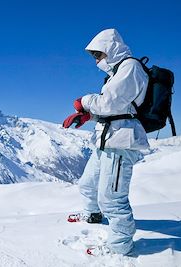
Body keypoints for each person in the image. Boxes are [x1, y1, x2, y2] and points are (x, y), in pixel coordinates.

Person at [62, 28, 149, 256]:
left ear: (111, 49)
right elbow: (117, 107)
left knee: (112, 197)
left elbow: (110, 103)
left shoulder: (130, 67)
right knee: (87, 184)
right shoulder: (116, 73)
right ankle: (93, 214)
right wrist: (89, 115)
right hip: (107, 139)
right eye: (94, 56)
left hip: (121, 143)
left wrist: (84, 101)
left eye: (98, 54)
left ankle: (119, 246)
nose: (96, 60)